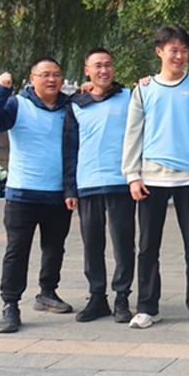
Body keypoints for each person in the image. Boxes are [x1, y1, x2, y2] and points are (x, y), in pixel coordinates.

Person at [122, 25, 189, 330]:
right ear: (159, 52)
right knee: (148, 246)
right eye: (173, 50)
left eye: (184, 50)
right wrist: (132, 174)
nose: (179, 56)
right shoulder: (144, 89)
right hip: (152, 177)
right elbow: (133, 133)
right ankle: (147, 307)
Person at [0, 58, 73, 333]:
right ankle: (10, 304)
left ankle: (47, 292)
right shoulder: (17, 104)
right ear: (32, 79)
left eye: (56, 74)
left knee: (54, 248)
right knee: (17, 251)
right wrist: (1, 89)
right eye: (45, 75)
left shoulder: (70, 107)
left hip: (57, 194)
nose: (51, 79)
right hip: (22, 195)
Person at [63, 48, 136, 323]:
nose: (103, 70)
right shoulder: (76, 104)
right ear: (87, 71)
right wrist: (70, 189)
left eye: (108, 65)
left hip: (121, 183)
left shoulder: (130, 97)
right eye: (97, 66)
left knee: (123, 244)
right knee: (92, 244)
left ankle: (122, 297)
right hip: (88, 183)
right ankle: (97, 297)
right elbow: (69, 149)